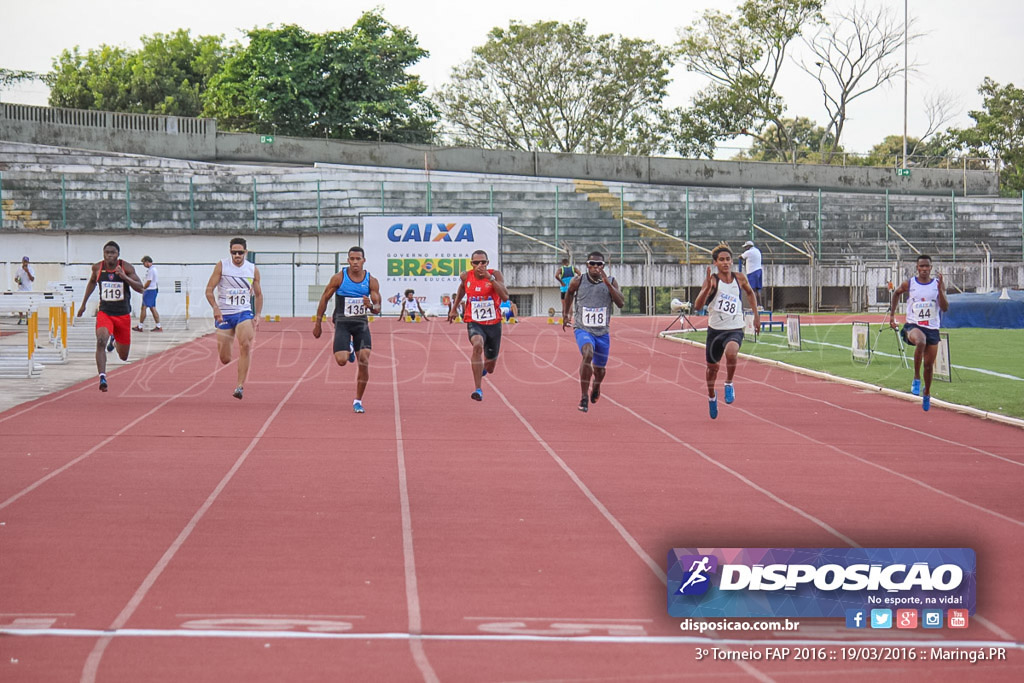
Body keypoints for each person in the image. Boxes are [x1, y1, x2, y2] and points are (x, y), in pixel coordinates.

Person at [693, 244, 760, 419]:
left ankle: (729, 383)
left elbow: (751, 294)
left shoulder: (740, 278)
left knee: (732, 353)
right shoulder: (712, 280)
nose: (725, 263)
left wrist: (756, 315)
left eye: (728, 259)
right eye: (721, 260)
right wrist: (707, 289)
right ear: (715, 262)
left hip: (735, 328)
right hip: (715, 330)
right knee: (712, 368)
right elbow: (698, 306)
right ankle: (711, 396)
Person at [313, 246, 381, 414]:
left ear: (364, 260)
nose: (355, 262)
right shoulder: (339, 278)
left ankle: (358, 400)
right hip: (342, 322)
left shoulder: (371, 281)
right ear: (348, 260)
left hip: (361, 324)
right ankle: (349, 348)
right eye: (352, 259)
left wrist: (370, 306)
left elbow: (378, 307)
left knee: (364, 360)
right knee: (341, 361)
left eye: (358, 259)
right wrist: (318, 322)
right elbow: (325, 297)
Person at [76, 241, 145, 392]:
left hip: (123, 315)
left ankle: (114, 341)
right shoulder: (97, 268)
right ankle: (102, 376)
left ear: (118, 254)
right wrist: (83, 304)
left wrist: (124, 277)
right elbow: (92, 283)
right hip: (105, 313)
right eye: (107, 252)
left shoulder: (126, 268)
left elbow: (141, 288)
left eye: (113, 253)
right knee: (101, 340)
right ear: (103, 254)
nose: (110, 256)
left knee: (123, 356)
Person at [562, 251, 624, 412]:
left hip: (602, 332)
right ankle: (583, 397)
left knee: (600, 370)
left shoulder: (611, 281)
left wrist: (608, 285)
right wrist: (566, 314)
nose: (595, 267)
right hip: (583, 328)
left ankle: (596, 386)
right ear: (587, 265)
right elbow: (569, 293)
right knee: (587, 353)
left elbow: (621, 303)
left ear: (603, 266)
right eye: (592, 264)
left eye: (599, 264)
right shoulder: (578, 280)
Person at [886, 254, 949, 411]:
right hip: (913, 325)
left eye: (927, 266)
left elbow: (945, 307)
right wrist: (892, 315)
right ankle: (916, 377)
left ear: (931, 268)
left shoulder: (937, 284)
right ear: (917, 268)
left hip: (932, 328)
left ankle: (926, 392)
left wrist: (941, 289)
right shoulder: (910, 283)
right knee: (920, 341)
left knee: (928, 366)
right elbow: (896, 293)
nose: (924, 269)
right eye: (921, 266)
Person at [205, 238, 263, 400]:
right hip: (224, 314)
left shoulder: (252, 269)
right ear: (230, 252)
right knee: (225, 358)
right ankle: (228, 359)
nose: (237, 255)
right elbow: (209, 290)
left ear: (246, 252)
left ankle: (239, 386)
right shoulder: (222, 266)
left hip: (243, 312)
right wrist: (215, 308)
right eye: (234, 252)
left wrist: (257, 314)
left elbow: (258, 294)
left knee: (245, 345)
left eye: (240, 252)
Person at [449, 249, 509, 401]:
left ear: (487, 263)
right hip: (474, 321)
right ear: (471, 264)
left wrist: (490, 278)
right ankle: (478, 389)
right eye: (476, 262)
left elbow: (504, 296)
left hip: (493, 324)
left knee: (490, 367)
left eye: (483, 262)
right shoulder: (465, 276)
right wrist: (454, 308)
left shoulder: (495, 274)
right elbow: (462, 289)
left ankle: (482, 369)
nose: (480, 265)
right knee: (477, 345)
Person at [134, 255, 162, 332]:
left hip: (150, 290)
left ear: (147, 262)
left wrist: (143, 288)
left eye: (144, 263)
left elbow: (149, 281)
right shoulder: (154, 269)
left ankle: (140, 326)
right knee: (152, 308)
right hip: (153, 290)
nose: (144, 265)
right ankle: (158, 325)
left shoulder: (151, 270)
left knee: (144, 308)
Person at [740, 240, 763, 305]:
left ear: (748, 246)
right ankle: (759, 305)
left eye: (746, 247)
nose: (745, 248)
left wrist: (744, 260)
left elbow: (741, 257)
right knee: (757, 290)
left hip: (752, 272)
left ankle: (755, 305)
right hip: (759, 270)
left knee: (753, 289)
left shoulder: (749, 252)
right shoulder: (757, 251)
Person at [14, 256, 35, 324]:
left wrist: (27, 271)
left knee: (27, 305)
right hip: (20, 289)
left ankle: (28, 318)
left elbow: (32, 279)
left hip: (28, 289)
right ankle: (21, 318)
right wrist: (18, 281)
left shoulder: (31, 269)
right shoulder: (19, 269)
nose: (25, 263)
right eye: (24, 261)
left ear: (28, 262)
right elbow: (15, 278)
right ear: (22, 262)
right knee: (19, 304)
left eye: (26, 262)